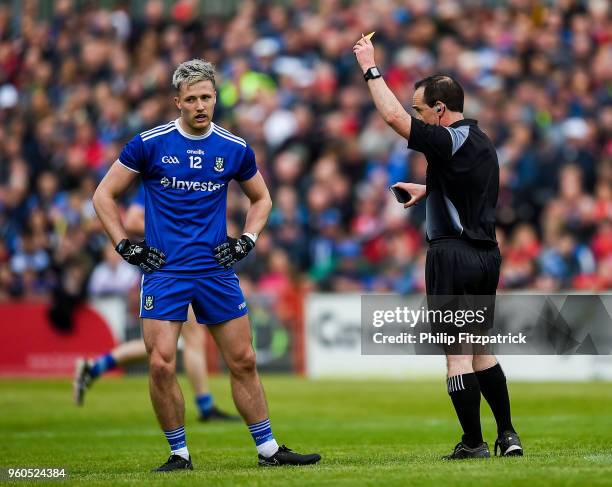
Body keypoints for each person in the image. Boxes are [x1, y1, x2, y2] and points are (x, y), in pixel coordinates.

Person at [92, 59, 321, 471]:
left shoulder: (233, 148)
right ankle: (179, 454)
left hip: (216, 270)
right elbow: (102, 196)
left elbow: (263, 199)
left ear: (216, 99)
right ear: (177, 101)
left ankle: (268, 450)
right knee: (162, 362)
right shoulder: (149, 143)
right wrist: (126, 247)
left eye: (207, 97)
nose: (201, 105)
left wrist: (246, 241)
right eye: (192, 98)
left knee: (244, 360)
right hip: (164, 270)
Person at [353, 36, 523, 459]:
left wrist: (370, 67)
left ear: (440, 110)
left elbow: (392, 118)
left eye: (422, 110)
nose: (418, 116)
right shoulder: (482, 142)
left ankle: (472, 443)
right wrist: (429, 189)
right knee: (481, 348)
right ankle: (508, 435)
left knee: (456, 355)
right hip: (486, 255)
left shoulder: (448, 139)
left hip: (452, 256)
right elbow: (469, 190)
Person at [73, 189, 240, 422]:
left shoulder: (182, 179)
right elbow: (132, 219)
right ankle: (205, 407)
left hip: (182, 269)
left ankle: (95, 368)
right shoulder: (160, 180)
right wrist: (177, 231)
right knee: (185, 341)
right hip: (169, 272)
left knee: (168, 346)